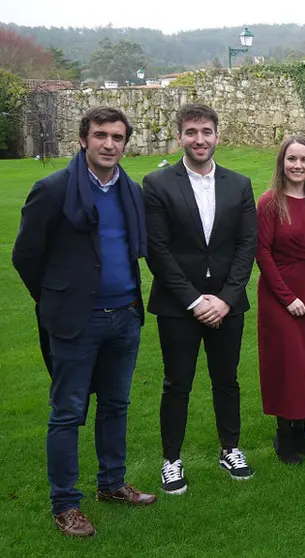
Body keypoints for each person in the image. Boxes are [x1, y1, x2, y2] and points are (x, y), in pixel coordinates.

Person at [12, 106, 156, 537]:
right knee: (68, 412)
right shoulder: (54, 189)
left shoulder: (130, 190)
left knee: (116, 404)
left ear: (125, 143)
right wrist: (54, 299)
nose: (109, 144)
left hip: (126, 315)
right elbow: (26, 256)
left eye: (117, 137)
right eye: (100, 136)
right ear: (83, 139)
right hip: (77, 321)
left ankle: (111, 484)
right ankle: (66, 504)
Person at [143, 104, 258, 494]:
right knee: (177, 384)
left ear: (217, 136)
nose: (199, 139)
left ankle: (231, 448)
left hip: (229, 303)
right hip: (178, 306)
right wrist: (195, 301)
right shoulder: (157, 184)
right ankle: (171, 460)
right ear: (180, 137)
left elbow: (246, 245)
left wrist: (226, 299)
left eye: (206, 131)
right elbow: (157, 251)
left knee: (227, 381)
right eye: (191, 132)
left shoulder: (238, 184)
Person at [256, 136, 305, 464]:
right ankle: (283, 435)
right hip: (279, 294)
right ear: (282, 163)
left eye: (304, 159)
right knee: (286, 364)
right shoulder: (270, 203)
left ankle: (301, 432)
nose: (298, 165)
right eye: (292, 159)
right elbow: (262, 252)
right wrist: (287, 298)